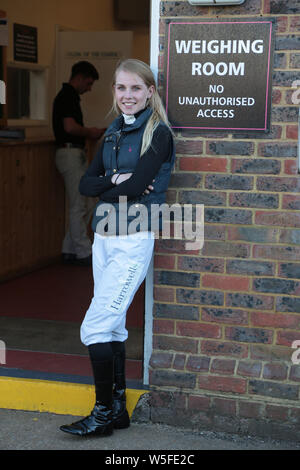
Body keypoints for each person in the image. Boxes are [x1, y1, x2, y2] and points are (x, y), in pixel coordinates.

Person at [59, 59, 175, 437]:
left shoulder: (158, 134)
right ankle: (119, 411)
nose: (128, 96)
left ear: (150, 92)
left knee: (95, 326)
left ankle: (103, 413)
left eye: (136, 89)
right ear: (114, 91)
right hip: (105, 237)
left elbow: (135, 183)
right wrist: (117, 180)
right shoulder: (112, 131)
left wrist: (118, 184)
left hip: (132, 240)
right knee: (113, 327)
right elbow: (85, 185)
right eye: (121, 88)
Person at [52, 61, 105, 266]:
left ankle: (70, 248)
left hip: (72, 152)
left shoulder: (68, 96)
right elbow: (70, 127)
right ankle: (83, 251)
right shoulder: (68, 96)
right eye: (89, 83)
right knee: (79, 205)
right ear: (80, 77)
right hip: (69, 152)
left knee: (85, 203)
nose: (89, 88)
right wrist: (90, 132)